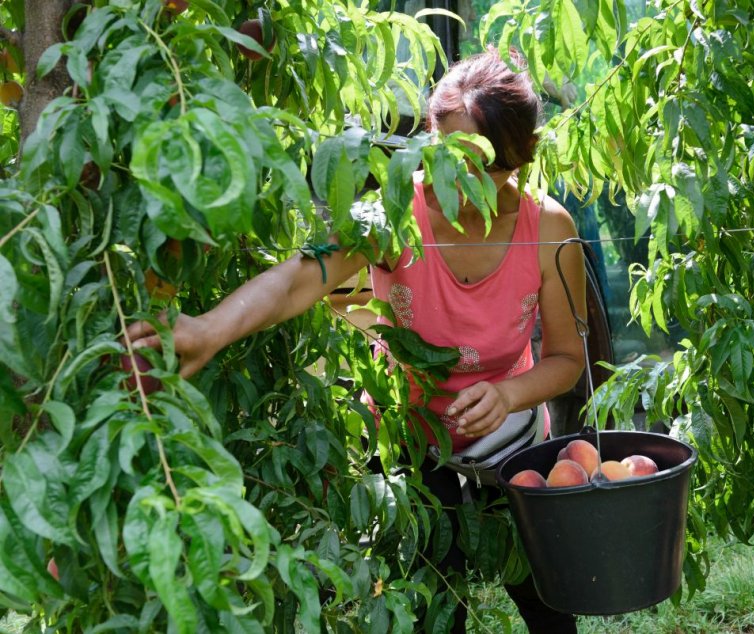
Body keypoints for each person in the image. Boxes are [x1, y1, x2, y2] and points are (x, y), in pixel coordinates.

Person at [128, 49, 586, 633]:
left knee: (549, 600)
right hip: (410, 438)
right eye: (448, 160)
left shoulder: (549, 228)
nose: (463, 185)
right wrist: (208, 329)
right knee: (433, 610)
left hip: (511, 435)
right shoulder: (394, 213)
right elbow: (300, 279)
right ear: (429, 141)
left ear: (523, 154)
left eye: (484, 167)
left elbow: (567, 358)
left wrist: (508, 394)